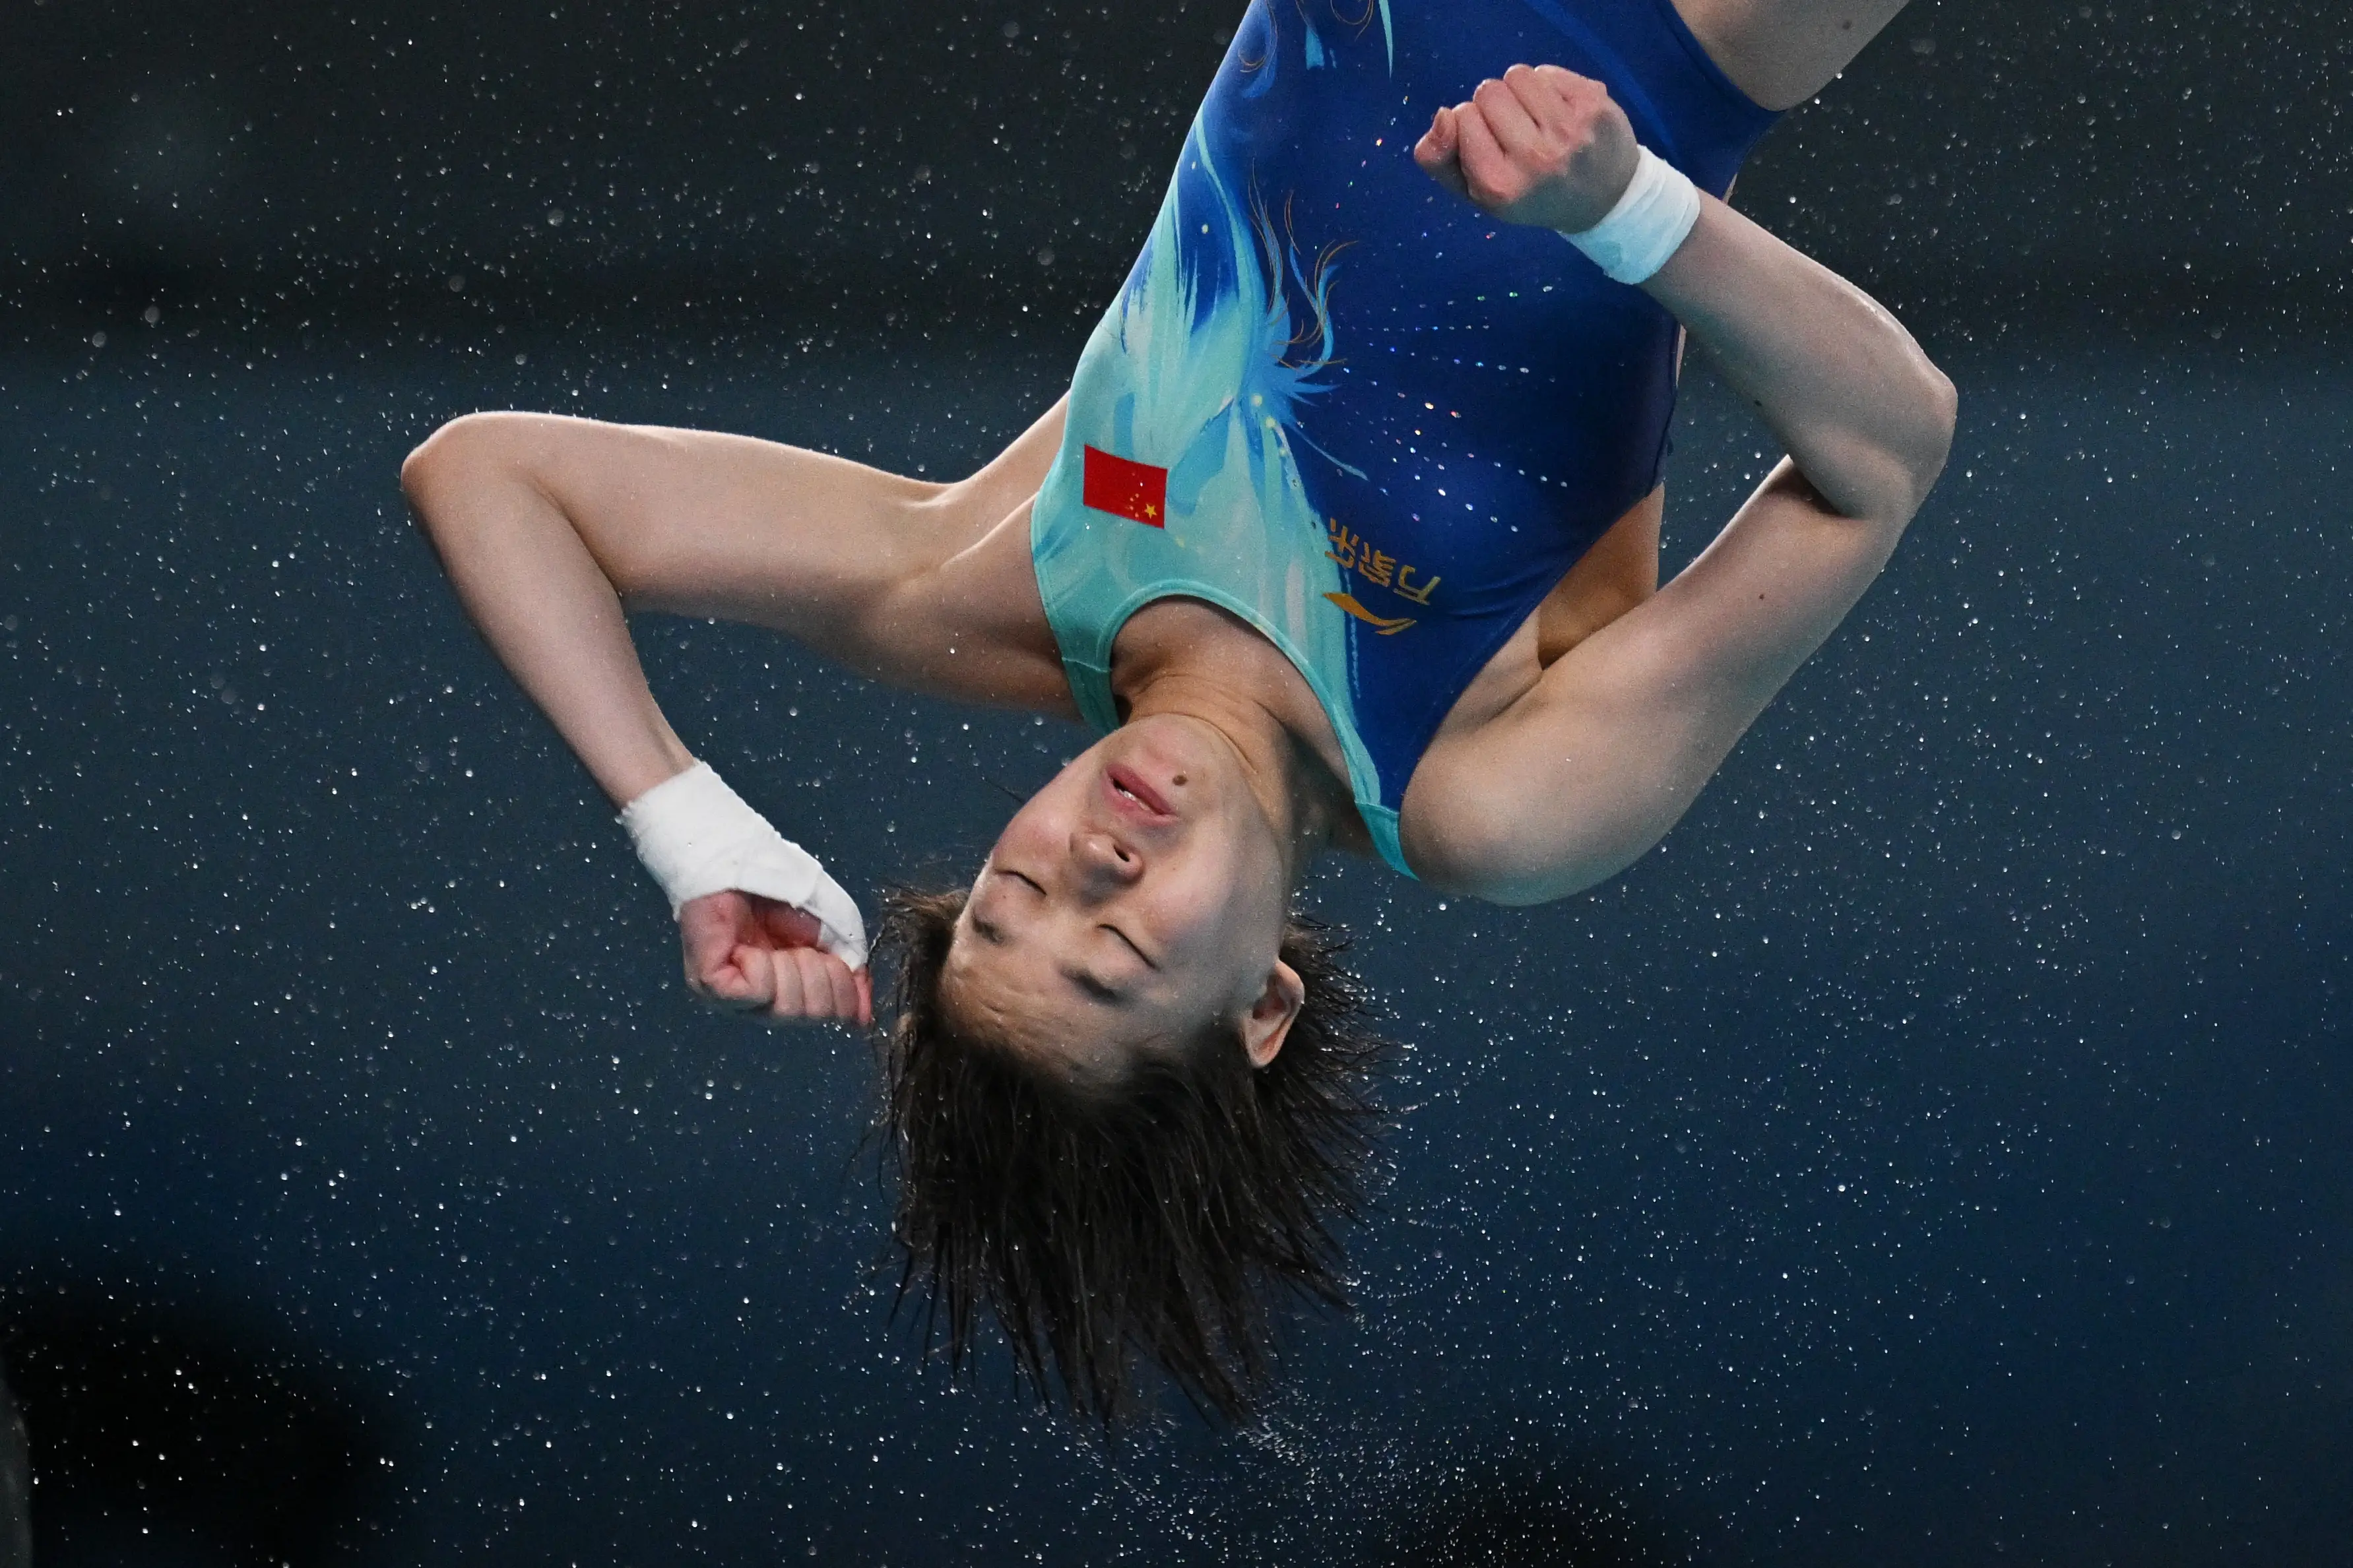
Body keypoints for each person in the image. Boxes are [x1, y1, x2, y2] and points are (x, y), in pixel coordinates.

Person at [401, 0, 1953, 1422]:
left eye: (1015, 895)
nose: (1093, 864)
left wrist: (679, 817)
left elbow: (486, 473)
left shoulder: (1005, 582)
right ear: (1260, 1007)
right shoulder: (1487, 796)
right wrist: (1627, 208)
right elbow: (1885, 454)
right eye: (1125, 949)